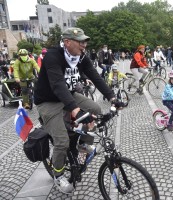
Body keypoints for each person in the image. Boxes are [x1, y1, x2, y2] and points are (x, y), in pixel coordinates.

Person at [34, 27, 119, 194]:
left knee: (95, 108)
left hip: (69, 95)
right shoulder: (52, 56)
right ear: (67, 42)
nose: (84, 45)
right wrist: (74, 109)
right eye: (80, 41)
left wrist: (112, 97)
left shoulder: (81, 58)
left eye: (85, 41)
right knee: (62, 141)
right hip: (48, 101)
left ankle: (82, 144)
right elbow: (57, 85)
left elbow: (95, 76)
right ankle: (58, 175)